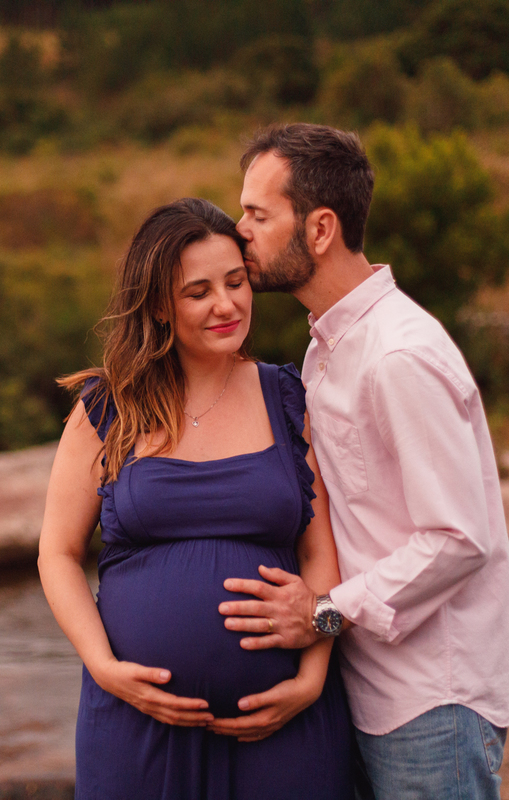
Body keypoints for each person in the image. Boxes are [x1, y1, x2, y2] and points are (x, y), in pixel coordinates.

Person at [218, 123, 509, 800]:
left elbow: (457, 538)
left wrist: (322, 613)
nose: (240, 232)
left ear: (320, 229)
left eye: (259, 215)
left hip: (430, 704)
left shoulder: (398, 356)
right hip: (368, 690)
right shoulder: (328, 348)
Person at [37, 198, 355, 800]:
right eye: (199, 292)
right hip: (136, 725)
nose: (226, 305)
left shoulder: (287, 398)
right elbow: (57, 553)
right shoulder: (108, 408)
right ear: (160, 304)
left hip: (284, 726)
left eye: (236, 282)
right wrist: (104, 667)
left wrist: (312, 678)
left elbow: (321, 553)